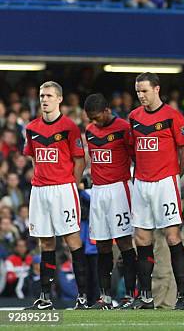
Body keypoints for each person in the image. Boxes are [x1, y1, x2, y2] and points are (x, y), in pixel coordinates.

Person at [127, 72, 184, 309]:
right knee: (142, 239)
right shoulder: (133, 117)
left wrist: (176, 174)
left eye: (144, 91)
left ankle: (182, 296)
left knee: (172, 237)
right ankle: (145, 296)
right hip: (141, 183)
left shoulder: (172, 116)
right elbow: (133, 150)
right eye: (138, 92)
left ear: (156, 89)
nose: (141, 96)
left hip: (166, 183)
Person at [23, 81, 89, 310]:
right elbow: (32, 157)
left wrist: (71, 181)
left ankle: (82, 296)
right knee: (45, 242)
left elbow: (80, 159)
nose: (44, 99)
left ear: (59, 99)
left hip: (63, 189)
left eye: (49, 95)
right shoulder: (31, 128)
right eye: (42, 95)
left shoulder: (70, 127)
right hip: (40, 190)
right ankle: (45, 297)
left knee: (72, 240)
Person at [83, 93, 137, 310]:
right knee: (102, 244)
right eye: (91, 119)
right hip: (98, 191)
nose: (95, 122)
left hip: (119, 189)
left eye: (97, 117)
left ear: (107, 110)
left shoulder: (123, 128)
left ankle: (131, 295)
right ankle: (104, 297)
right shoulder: (89, 131)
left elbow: (135, 156)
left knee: (124, 242)